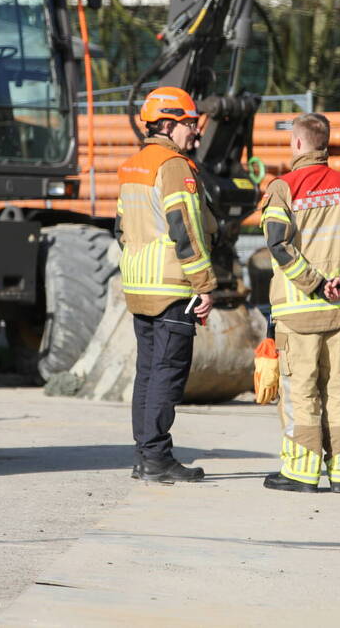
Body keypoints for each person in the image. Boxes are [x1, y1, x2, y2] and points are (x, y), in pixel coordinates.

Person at [260, 112, 340, 493]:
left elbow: (278, 243)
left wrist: (314, 283)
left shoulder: (283, 188)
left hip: (299, 312)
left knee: (301, 390)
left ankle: (301, 472)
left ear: (297, 144)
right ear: (326, 143)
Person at [115, 86, 216, 482]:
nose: (196, 132)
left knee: (148, 372)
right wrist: (204, 284)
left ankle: (144, 455)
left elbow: (121, 228)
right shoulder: (174, 166)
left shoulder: (133, 165)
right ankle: (157, 457)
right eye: (191, 124)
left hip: (140, 284)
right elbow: (186, 229)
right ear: (170, 124)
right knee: (167, 373)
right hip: (171, 284)